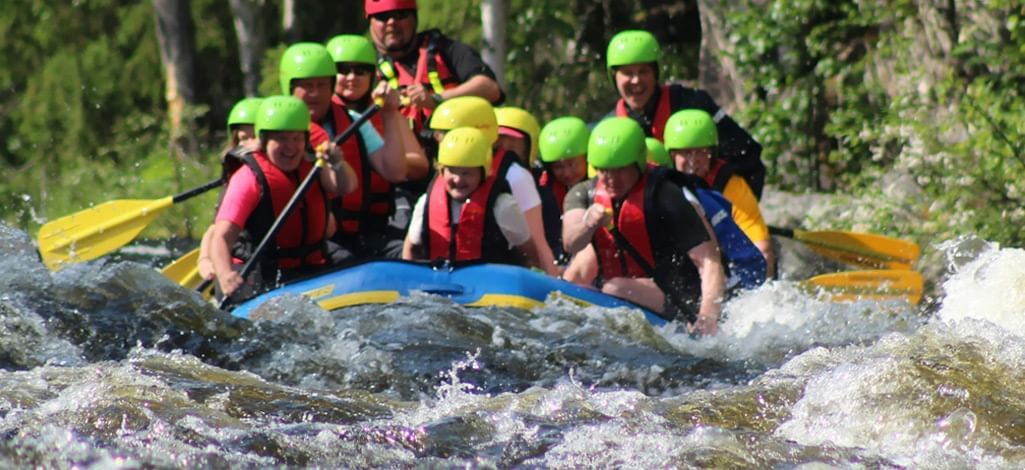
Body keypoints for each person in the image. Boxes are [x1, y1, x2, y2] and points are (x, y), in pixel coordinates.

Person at [561, 117, 726, 335]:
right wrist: (588, 224)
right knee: (576, 273)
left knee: (615, 287)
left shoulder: (665, 195)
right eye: (603, 170)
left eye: (619, 170)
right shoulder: (583, 193)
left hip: (675, 295)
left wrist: (707, 319)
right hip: (619, 286)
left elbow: (709, 262)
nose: (610, 178)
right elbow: (571, 243)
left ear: (638, 164)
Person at [208, 96, 358, 299]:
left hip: (310, 268)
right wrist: (225, 275)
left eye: (297, 138)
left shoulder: (314, 166)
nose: (291, 147)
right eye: (281, 139)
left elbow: (346, 186)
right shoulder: (248, 178)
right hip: (260, 273)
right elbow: (221, 237)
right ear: (264, 140)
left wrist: (337, 163)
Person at [279, 42, 409, 262]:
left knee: (410, 251)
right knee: (345, 262)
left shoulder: (352, 122)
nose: (315, 93)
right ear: (290, 88)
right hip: (306, 238)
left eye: (322, 85)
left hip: (358, 232)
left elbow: (394, 172)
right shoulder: (274, 135)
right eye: (307, 86)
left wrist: (389, 114)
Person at [605, 29, 766, 199]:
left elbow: (748, 156)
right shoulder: (609, 127)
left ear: (656, 73)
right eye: (627, 73)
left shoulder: (693, 103)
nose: (636, 80)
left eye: (643, 71)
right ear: (614, 77)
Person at [366, 0, 504, 192]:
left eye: (400, 16)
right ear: (370, 23)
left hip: (464, 171)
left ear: (414, 18)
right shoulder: (364, 70)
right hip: (407, 181)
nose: (391, 23)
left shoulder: (446, 50)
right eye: (382, 17)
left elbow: (489, 88)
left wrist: (437, 99)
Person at [428, 96, 559, 275]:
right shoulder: (447, 173)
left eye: (447, 134)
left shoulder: (514, 175)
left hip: (497, 278)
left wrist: (549, 287)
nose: (443, 142)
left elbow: (536, 243)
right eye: (439, 136)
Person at [402, 127, 549, 272]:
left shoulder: (502, 205)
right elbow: (411, 249)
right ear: (441, 171)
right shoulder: (426, 202)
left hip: (490, 285)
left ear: (482, 173)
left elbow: (528, 252)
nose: (458, 179)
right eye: (452, 171)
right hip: (441, 283)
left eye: (467, 173)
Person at [664, 109, 776, 278]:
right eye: (686, 153)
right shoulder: (662, 188)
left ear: (712, 154)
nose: (694, 161)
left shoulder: (732, 186)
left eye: (701, 152)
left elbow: (762, 249)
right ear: (672, 156)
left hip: (726, 270)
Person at [326, 34, 429, 182]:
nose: (352, 77)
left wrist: (385, 157)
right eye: (343, 69)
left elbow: (421, 166)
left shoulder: (386, 111)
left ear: (372, 76)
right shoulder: (322, 114)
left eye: (361, 70)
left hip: (385, 200)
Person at [198, 97, 263, 281]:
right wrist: (204, 259)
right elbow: (216, 229)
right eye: (244, 138)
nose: (250, 144)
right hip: (241, 262)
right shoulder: (240, 176)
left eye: (255, 136)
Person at [495, 106, 563, 263]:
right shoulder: (477, 184)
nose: (503, 156)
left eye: (512, 149)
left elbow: (549, 244)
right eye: (497, 148)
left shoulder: (543, 194)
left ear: (527, 152)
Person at [537, 116, 591, 211]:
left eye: (573, 164)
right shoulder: (545, 191)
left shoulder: (605, 187)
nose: (567, 173)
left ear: (587, 159)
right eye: (559, 167)